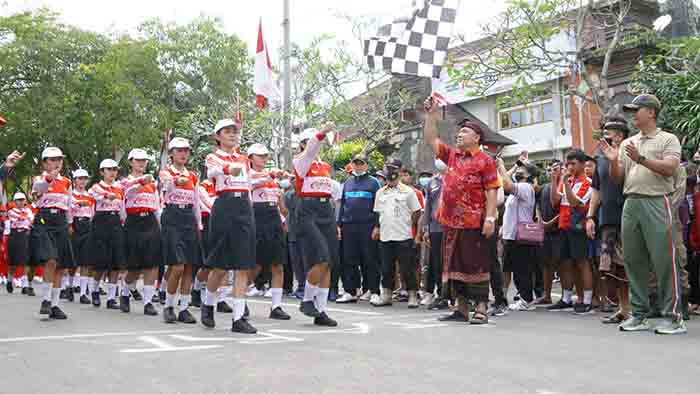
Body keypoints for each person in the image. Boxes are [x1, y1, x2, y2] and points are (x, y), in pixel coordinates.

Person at [601, 94, 685, 334]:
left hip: (657, 201)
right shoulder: (630, 141)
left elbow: (670, 169)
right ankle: (639, 314)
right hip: (631, 202)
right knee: (633, 261)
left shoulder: (667, 139)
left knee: (664, 261)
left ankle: (673, 317)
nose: (633, 114)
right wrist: (613, 161)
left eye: (636, 110)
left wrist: (641, 159)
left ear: (651, 112)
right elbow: (618, 179)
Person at [423, 98, 499, 324]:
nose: (459, 135)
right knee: (453, 266)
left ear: (477, 138)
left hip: (473, 222)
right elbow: (431, 139)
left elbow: (492, 191)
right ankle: (461, 308)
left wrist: (490, 218)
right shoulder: (453, 156)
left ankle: (482, 308)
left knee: (476, 264)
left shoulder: (485, 160)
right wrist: (431, 115)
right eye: (459, 132)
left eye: (464, 132)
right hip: (449, 222)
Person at [202, 119, 257, 333]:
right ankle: (208, 303)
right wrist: (227, 168)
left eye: (235, 131)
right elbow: (212, 173)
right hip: (224, 205)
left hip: (244, 205)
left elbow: (250, 183)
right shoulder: (213, 156)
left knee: (243, 263)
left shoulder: (244, 158)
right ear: (218, 136)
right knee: (221, 264)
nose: (233, 135)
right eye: (227, 131)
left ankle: (238, 317)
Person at [292, 125, 340, 327]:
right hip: (308, 211)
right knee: (320, 257)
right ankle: (306, 299)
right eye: (310, 141)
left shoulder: (325, 166)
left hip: (325, 210)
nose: (316, 144)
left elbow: (334, 193)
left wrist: (335, 222)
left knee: (329, 262)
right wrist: (322, 132)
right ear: (302, 144)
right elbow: (311, 149)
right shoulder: (301, 161)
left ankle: (321, 310)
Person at [586, 117, 631, 324]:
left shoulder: (631, 154)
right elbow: (596, 191)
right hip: (608, 218)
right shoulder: (600, 159)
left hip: (630, 217)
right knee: (613, 268)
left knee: (633, 264)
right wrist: (590, 217)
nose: (604, 135)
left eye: (609, 132)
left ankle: (639, 308)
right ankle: (623, 309)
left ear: (620, 135)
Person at [159, 137, 202, 324]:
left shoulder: (193, 176)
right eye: (179, 150)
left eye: (186, 150)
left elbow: (196, 201)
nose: (184, 154)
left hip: (189, 219)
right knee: (176, 266)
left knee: (189, 266)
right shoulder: (165, 173)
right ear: (171, 154)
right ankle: (169, 305)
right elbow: (166, 186)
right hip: (172, 217)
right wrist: (175, 180)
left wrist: (199, 224)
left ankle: (184, 308)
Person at [247, 143, 291, 320]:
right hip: (256, 217)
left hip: (274, 219)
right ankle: (240, 299)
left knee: (278, 264)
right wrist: (271, 175)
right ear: (250, 158)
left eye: (265, 156)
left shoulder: (273, 179)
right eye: (259, 156)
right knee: (255, 264)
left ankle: (276, 306)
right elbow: (252, 183)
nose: (263, 159)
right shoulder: (247, 174)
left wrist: (283, 213)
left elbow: (283, 208)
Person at [548, 149, 595, 314]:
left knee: (582, 262)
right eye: (567, 164)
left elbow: (576, 203)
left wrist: (566, 183)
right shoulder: (567, 180)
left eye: (573, 164)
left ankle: (588, 300)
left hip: (578, 227)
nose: (569, 167)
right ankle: (566, 298)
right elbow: (555, 202)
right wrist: (554, 180)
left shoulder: (587, 182)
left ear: (582, 164)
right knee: (565, 263)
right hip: (563, 226)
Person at [30, 147, 73, 319]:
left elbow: (69, 204)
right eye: (52, 159)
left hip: (61, 221)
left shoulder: (67, 182)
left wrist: (70, 223)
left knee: (61, 265)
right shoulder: (39, 179)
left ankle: (55, 305)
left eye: (59, 159)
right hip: (44, 220)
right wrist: (49, 178)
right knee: (51, 259)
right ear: (45, 162)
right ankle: (46, 300)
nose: (57, 163)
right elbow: (36, 192)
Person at [372, 169, 422, 308]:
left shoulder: (408, 192)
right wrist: (377, 228)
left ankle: (412, 295)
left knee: (407, 267)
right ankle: (387, 294)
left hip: (403, 234)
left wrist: (409, 224)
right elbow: (378, 213)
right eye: (389, 179)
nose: (391, 181)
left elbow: (416, 212)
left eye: (393, 179)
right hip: (386, 235)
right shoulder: (380, 192)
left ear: (398, 177)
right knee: (386, 267)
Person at [336, 154, 382, 304]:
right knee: (349, 259)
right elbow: (342, 205)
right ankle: (350, 291)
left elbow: (378, 207)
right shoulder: (347, 183)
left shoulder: (374, 183)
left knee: (370, 259)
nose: (358, 166)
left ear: (366, 165)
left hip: (367, 226)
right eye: (355, 163)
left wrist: (377, 226)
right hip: (349, 225)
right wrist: (339, 225)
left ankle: (373, 290)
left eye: (361, 163)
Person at [120, 148, 161, 316]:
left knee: (152, 264)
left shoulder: (152, 184)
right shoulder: (125, 181)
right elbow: (128, 194)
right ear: (131, 162)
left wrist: (160, 224)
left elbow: (157, 205)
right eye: (138, 160)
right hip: (133, 222)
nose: (141, 163)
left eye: (144, 161)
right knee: (134, 267)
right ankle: (124, 292)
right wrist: (140, 183)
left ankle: (148, 302)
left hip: (150, 221)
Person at [496, 157, 539, 311]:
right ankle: (503, 297)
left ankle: (526, 299)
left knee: (522, 270)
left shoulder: (525, 187)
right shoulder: (518, 188)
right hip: (511, 235)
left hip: (520, 236)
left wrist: (501, 165)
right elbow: (502, 184)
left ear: (528, 175)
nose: (518, 170)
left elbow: (506, 185)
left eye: (523, 169)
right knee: (508, 268)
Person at [89, 158, 126, 310]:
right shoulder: (97, 187)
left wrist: (124, 222)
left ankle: (111, 298)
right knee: (101, 262)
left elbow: (122, 207)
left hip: (115, 222)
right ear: (102, 172)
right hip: (101, 222)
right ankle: (95, 290)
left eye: (115, 170)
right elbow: (94, 195)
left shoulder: (119, 188)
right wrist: (106, 195)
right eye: (109, 169)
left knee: (116, 262)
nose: (112, 172)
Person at [417, 159, 448, 310]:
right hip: (436, 228)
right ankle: (439, 294)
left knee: (451, 263)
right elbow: (428, 206)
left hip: (452, 228)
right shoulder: (432, 182)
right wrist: (426, 229)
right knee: (436, 262)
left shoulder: (456, 177)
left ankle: (452, 296)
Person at [69, 169, 95, 304]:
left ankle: (83, 293)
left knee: (86, 261)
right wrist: (70, 226)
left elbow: (93, 212)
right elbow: (68, 210)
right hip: (74, 225)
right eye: (79, 179)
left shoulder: (90, 196)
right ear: (75, 180)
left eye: (84, 178)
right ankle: (69, 287)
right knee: (73, 261)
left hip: (87, 225)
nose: (82, 181)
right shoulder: (70, 195)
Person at [538, 161, 562, 305]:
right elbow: (538, 207)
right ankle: (546, 295)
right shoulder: (544, 188)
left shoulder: (565, 185)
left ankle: (566, 296)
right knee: (546, 265)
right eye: (549, 169)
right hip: (545, 232)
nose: (552, 172)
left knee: (561, 264)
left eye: (555, 169)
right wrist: (541, 221)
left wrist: (550, 223)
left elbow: (565, 210)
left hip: (559, 230)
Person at [4, 193, 34, 295]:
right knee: (13, 263)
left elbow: (31, 220)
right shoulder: (11, 212)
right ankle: (9, 280)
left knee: (26, 261)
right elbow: (21, 218)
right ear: (15, 202)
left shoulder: (28, 210)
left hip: (26, 236)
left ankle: (25, 285)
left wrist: (27, 218)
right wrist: (26, 218)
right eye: (18, 200)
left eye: (22, 200)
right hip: (15, 236)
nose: (21, 202)